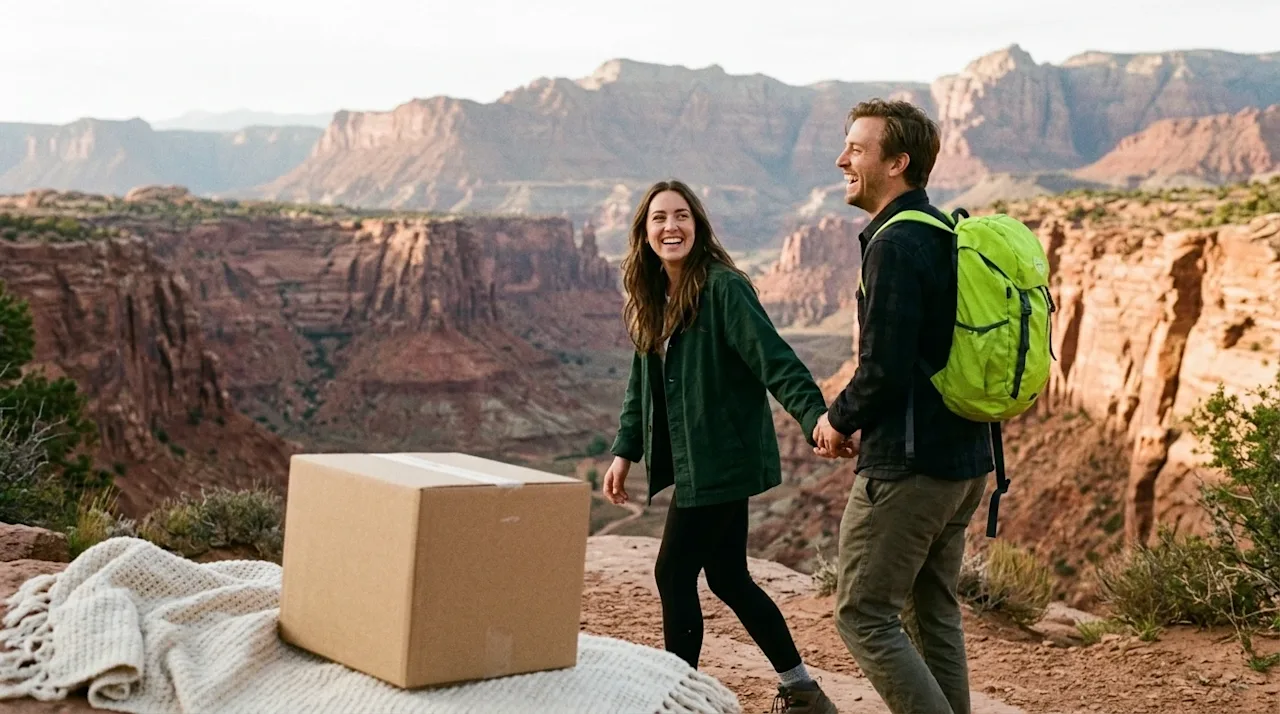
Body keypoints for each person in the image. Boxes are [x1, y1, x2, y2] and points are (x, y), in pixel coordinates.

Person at [602, 179, 838, 714]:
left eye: (681, 215)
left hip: (720, 459)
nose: (671, 226)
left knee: (672, 573)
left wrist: (814, 416)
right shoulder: (654, 297)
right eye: (659, 218)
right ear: (644, 232)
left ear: (698, 225)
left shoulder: (724, 288)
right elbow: (643, 386)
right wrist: (625, 450)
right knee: (729, 577)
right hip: (699, 461)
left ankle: (677, 696)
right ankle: (802, 689)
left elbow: (774, 359)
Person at [811, 99, 995, 714]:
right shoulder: (943, 232)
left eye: (857, 149)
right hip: (966, 459)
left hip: (910, 470)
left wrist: (836, 418)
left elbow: (884, 371)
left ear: (899, 162)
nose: (843, 159)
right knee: (932, 609)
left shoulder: (895, 245)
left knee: (863, 615)